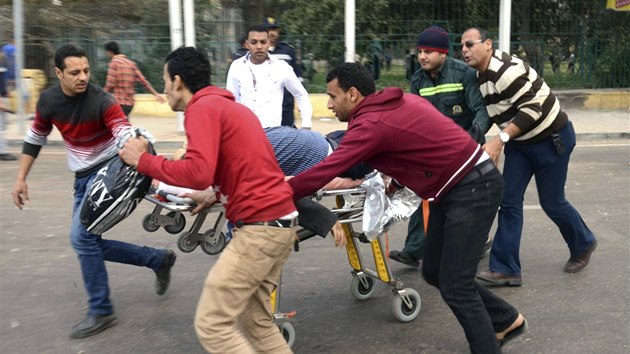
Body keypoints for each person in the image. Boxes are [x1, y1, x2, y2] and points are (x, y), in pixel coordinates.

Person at [288, 62, 526, 353]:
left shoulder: (371, 124)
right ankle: (506, 319)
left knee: (456, 286)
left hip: (472, 188)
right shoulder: (398, 102)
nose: (328, 104)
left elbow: (329, 168)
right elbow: (419, 142)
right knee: (435, 272)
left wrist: (280, 192)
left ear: (352, 94)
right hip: (453, 188)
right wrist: (398, 181)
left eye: (332, 96)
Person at [117, 46, 336, 354]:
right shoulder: (231, 109)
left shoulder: (201, 110)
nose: (164, 89)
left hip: (258, 232)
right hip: (280, 225)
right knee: (257, 324)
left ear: (178, 81)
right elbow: (241, 169)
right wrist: (217, 193)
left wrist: (143, 161)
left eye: (165, 80)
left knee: (212, 325)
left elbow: (197, 171)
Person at [10, 44, 176, 339]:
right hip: (82, 176)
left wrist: (147, 161)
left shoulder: (102, 100)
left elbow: (123, 131)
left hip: (110, 175)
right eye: (75, 72)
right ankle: (156, 259)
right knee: (87, 241)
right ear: (59, 73)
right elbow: (35, 138)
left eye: (86, 70)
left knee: (81, 238)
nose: (83, 77)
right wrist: (21, 178)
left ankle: (101, 309)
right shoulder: (48, 101)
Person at [460, 27, 597, 286]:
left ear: (488, 44)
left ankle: (584, 243)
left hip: (551, 139)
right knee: (509, 201)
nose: (464, 50)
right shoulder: (481, 75)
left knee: (552, 202)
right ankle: (506, 269)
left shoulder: (505, 71)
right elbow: (496, 112)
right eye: (462, 46)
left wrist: (500, 141)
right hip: (521, 143)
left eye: (470, 44)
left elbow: (532, 109)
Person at [389, 26, 491, 268]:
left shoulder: (463, 74)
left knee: (462, 202)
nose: (422, 56)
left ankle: (478, 243)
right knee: (420, 192)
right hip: (434, 152)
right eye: (420, 51)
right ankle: (414, 250)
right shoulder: (417, 80)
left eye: (428, 52)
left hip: (466, 150)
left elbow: (481, 111)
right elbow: (413, 118)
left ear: (443, 54)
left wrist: (470, 142)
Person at [226, 25, 312, 129]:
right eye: (254, 42)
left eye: (263, 42)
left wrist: (306, 125)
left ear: (269, 43)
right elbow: (232, 99)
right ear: (247, 44)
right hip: (246, 131)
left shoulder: (281, 67)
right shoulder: (237, 66)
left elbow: (301, 94)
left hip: (274, 133)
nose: (259, 46)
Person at [103, 41, 164, 118]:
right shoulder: (131, 64)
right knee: (123, 123)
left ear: (110, 52)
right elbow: (143, 81)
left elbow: (110, 84)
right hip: (130, 103)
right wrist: (155, 94)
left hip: (119, 102)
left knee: (115, 124)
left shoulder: (114, 63)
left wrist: (101, 97)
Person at [263, 17, 303, 128]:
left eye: (274, 29)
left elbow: (297, 78)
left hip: (286, 105)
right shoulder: (259, 52)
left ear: (278, 32)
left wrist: (301, 101)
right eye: (268, 30)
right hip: (266, 105)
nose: (271, 33)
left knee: (288, 134)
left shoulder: (288, 51)